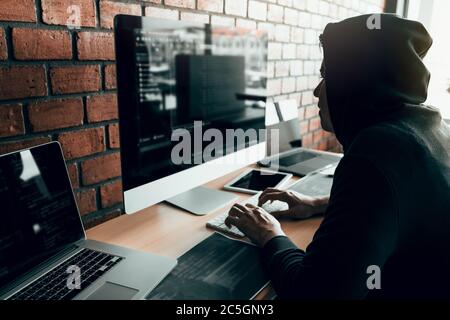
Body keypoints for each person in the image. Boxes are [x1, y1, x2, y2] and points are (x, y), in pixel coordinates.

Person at [225, 14, 450, 299]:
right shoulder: (430, 129)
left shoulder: (375, 152)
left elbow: (314, 294)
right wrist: (318, 204)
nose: (317, 91)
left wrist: (268, 232)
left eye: (327, 76)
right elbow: (403, 203)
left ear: (356, 83)